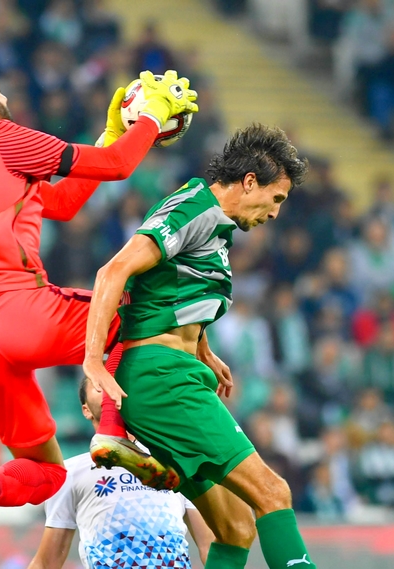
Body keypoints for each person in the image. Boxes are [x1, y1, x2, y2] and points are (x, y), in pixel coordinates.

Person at [0, 54, 198, 563]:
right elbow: (117, 167)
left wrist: (111, 133)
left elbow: (63, 202)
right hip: (17, 309)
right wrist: (152, 118)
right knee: (140, 312)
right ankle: (112, 434)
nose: (5, 97)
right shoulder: (3, 137)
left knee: (47, 473)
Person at [82, 124, 317, 569]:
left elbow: (170, 291)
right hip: (163, 379)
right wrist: (93, 359)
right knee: (274, 492)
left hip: (172, 375)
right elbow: (113, 271)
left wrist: (203, 349)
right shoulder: (195, 209)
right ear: (250, 181)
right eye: (276, 198)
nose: (275, 213)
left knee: (236, 528)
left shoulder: (215, 227)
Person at [28, 380, 214, 569]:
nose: (110, 390)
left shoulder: (175, 463)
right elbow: (47, 562)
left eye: (116, 385)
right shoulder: (70, 472)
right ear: (86, 410)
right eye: (99, 386)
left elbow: (209, 547)